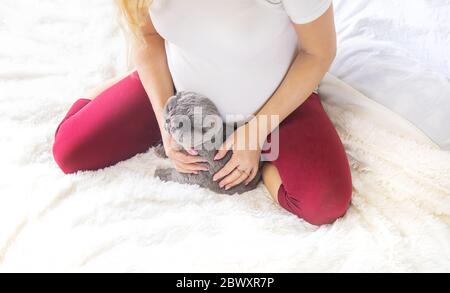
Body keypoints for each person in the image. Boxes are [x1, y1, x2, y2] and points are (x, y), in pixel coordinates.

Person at [52, 0, 352, 225]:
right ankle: (127, 81)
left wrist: (256, 133)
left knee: (324, 204)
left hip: (275, 102)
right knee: (71, 151)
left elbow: (318, 53)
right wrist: (166, 121)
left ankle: (267, 163)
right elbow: (148, 37)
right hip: (182, 98)